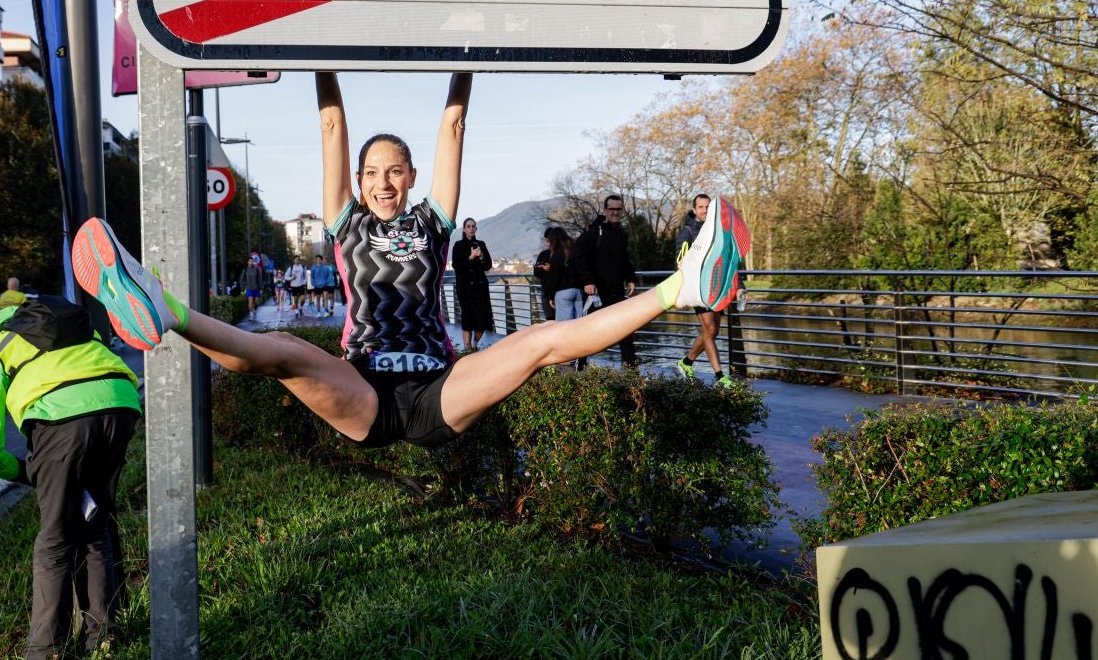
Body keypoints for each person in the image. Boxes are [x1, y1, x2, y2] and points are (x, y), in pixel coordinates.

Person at [70, 71, 745, 454]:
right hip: (363, 392)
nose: (383, 181)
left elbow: (453, 126)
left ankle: (685, 286)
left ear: (413, 176)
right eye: (372, 172)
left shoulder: (433, 222)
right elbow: (331, 126)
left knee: (540, 341)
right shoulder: (347, 223)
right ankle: (163, 308)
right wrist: (319, 54)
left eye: (395, 170)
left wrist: (465, 54)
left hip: (438, 391)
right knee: (282, 353)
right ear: (359, 182)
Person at [0, 296, 140, 660]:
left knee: (54, 542)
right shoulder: (69, 322)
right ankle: (103, 639)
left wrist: (26, 472)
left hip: (62, 423)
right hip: (122, 402)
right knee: (94, 527)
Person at [572, 195, 639, 370]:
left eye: (618, 209)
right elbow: (578, 257)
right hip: (596, 294)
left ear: (622, 211)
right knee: (587, 331)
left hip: (616, 292)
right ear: (605, 211)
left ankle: (631, 371)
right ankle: (579, 368)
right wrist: (587, 281)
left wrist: (630, 278)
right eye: (612, 209)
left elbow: (624, 259)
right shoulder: (594, 232)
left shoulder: (621, 233)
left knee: (626, 329)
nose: (615, 212)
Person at [675, 193, 733, 386]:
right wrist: (683, 292)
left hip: (716, 287)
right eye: (701, 207)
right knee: (709, 329)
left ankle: (686, 362)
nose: (705, 210)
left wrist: (739, 286)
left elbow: (729, 259)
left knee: (713, 332)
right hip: (699, 289)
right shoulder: (687, 232)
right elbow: (680, 263)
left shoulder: (718, 230)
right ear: (694, 210)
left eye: (708, 207)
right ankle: (720, 376)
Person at [450, 217, 494, 350]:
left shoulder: (481, 244)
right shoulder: (458, 245)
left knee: (483, 319)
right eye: (468, 226)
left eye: (473, 226)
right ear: (464, 229)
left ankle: (474, 344)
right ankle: (467, 350)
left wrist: (481, 256)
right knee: (467, 319)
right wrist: (470, 257)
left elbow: (488, 265)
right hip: (465, 288)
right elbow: (456, 266)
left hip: (480, 287)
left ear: (476, 228)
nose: (471, 228)